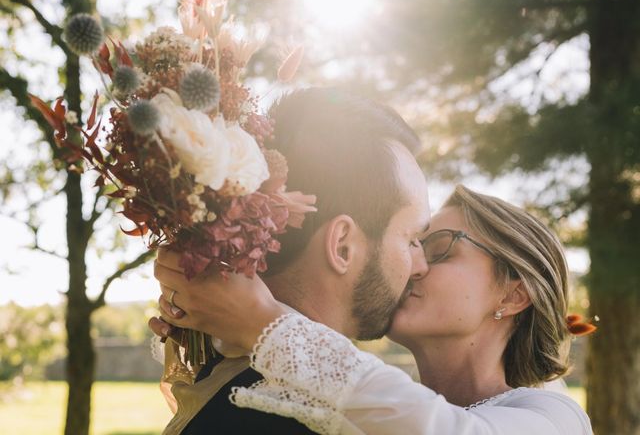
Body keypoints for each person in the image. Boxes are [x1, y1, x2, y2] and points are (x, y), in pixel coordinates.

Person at [152, 185, 593, 435]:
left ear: (513, 296)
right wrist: (213, 320)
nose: (415, 264)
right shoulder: (380, 406)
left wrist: (259, 321)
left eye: (440, 249)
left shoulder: (555, 417)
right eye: (413, 243)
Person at [149, 87, 431, 434]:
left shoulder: (227, 383)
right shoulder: (309, 420)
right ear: (342, 246)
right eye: (412, 239)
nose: (421, 266)